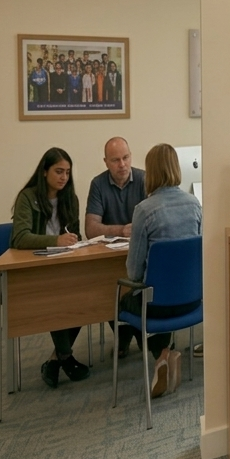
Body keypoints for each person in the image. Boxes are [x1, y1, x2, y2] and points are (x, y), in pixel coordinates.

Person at [121, 143, 202, 398]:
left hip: (157, 305)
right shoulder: (194, 204)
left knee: (129, 299)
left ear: (150, 173)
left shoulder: (144, 210)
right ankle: (164, 355)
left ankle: (163, 356)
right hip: (192, 303)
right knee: (158, 293)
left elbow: (133, 272)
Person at [10, 147, 90, 388]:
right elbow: (20, 238)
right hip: (37, 267)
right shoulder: (28, 197)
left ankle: (56, 360)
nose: (63, 177)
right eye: (58, 171)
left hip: (65, 264)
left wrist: (75, 242)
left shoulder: (70, 199)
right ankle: (65, 357)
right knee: (58, 297)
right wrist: (54, 241)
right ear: (44, 172)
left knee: (84, 298)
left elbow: (75, 233)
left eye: (67, 172)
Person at [87, 136, 150, 357]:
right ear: (106, 162)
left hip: (141, 256)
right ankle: (124, 335)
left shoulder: (144, 179)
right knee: (107, 287)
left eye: (125, 158)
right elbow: (91, 228)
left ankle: (142, 336)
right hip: (110, 258)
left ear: (131, 156)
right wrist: (121, 230)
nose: (122, 165)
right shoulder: (98, 184)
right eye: (115, 160)